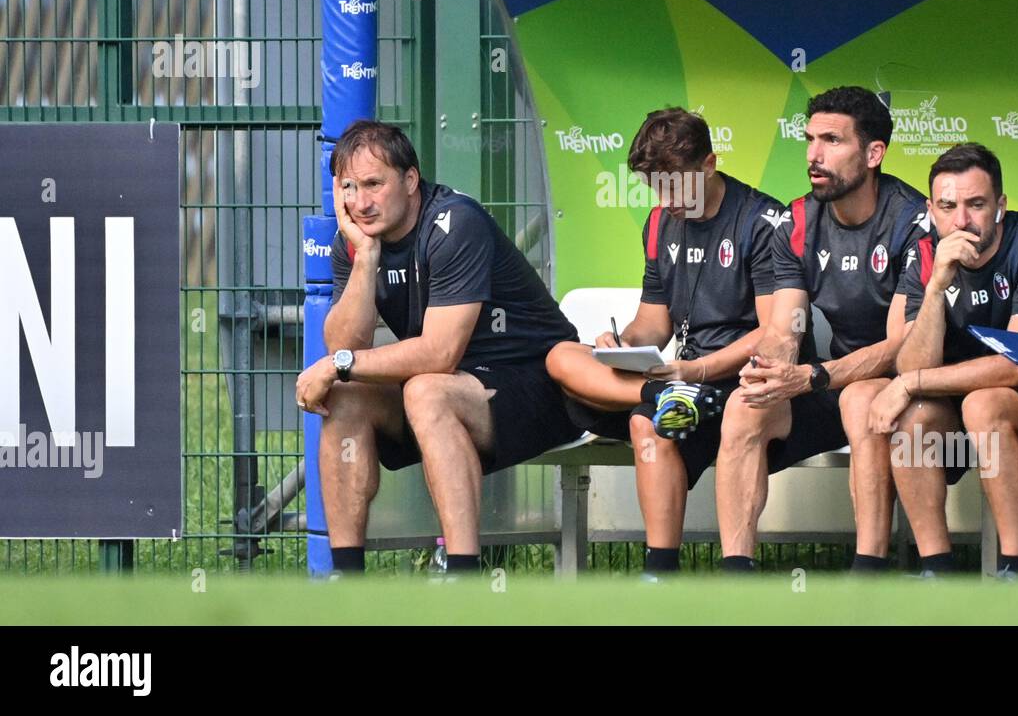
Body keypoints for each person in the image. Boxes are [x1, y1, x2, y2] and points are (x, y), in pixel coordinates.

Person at [295, 120, 583, 575]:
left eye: (374, 184)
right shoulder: (352, 243)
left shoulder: (455, 223)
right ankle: (346, 579)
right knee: (347, 395)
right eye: (349, 187)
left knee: (426, 388)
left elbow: (439, 354)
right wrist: (365, 259)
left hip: (540, 389)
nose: (362, 202)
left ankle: (463, 575)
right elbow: (347, 343)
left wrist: (338, 363)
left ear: (410, 181)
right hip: (453, 389)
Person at [546, 107, 784, 579]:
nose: (667, 198)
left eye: (676, 184)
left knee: (662, 416)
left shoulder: (762, 220)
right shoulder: (658, 224)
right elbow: (654, 322)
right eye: (657, 187)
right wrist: (620, 342)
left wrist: (695, 370)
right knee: (568, 361)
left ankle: (734, 568)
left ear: (710, 164)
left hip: (748, 378)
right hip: (678, 381)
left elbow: (773, 331)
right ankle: (661, 574)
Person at [714, 86, 928, 573]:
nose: (814, 155)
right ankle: (735, 575)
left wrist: (815, 376)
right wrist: (771, 368)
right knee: (745, 405)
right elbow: (785, 325)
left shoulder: (913, 220)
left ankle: (868, 571)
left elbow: (903, 346)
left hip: (903, 382)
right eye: (809, 139)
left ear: (874, 153)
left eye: (832, 140)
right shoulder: (797, 219)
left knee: (862, 400)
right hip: (831, 378)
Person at [877, 142, 1018, 578]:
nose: (961, 221)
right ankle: (938, 570)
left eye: (976, 204)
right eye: (948, 207)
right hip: (958, 398)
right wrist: (935, 289)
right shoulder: (925, 254)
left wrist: (911, 383)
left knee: (983, 404)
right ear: (932, 210)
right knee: (912, 422)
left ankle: (1015, 567)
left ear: (1000, 206)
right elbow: (912, 362)